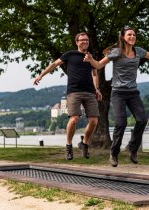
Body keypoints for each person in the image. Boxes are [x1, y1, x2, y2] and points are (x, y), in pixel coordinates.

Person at [84, 27, 149, 167]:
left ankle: (132, 148)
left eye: (134, 34)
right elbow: (99, 65)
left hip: (132, 92)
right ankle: (114, 153)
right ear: (123, 37)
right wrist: (90, 60)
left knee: (142, 119)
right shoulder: (116, 52)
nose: (132, 36)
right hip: (118, 93)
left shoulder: (139, 51)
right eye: (129, 34)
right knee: (121, 123)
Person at [34, 32, 102, 160]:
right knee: (74, 119)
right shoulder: (70, 54)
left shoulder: (90, 57)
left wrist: (97, 89)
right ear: (77, 42)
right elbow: (54, 64)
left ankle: (84, 144)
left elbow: (94, 74)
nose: (85, 42)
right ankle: (69, 145)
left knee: (94, 121)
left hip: (89, 91)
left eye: (87, 40)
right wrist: (41, 75)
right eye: (82, 40)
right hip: (74, 91)